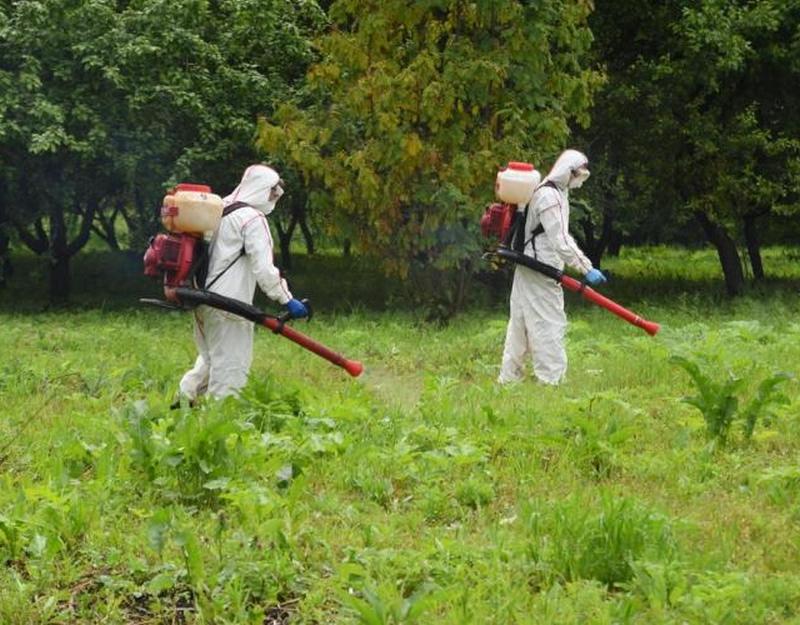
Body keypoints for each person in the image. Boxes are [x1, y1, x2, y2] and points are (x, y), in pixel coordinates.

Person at [177, 164, 308, 402]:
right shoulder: (252, 219)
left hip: (200, 300)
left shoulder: (217, 209)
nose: (272, 199)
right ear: (261, 189)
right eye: (272, 193)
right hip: (229, 306)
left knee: (210, 359)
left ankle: (185, 401)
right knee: (231, 369)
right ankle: (219, 424)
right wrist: (287, 299)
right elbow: (264, 269)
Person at [498, 149, 607, 386]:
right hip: (540, 269)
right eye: (579, 175)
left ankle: (509, 379)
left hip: (529, 267)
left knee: (519, 324)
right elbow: (561, 240)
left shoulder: (549, 191)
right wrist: (586, 267)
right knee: (548, 323)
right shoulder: (549, 197)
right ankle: (551, 381)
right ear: (568, 171)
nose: (580, 180)